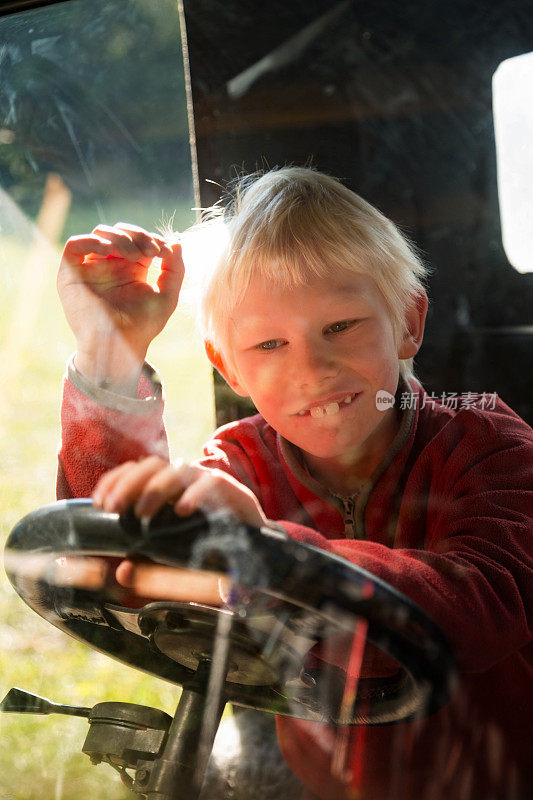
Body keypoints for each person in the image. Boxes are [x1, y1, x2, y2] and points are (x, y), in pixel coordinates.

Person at [56, 167, 533, 800]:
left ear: (408, 323)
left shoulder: (489, 445)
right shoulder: (240, 462)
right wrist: (108, 355)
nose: (312, 368)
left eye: (340, 327)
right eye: (269, 344)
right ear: (228, 367)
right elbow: (118, 565)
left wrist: (267, 551)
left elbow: (477, 611)